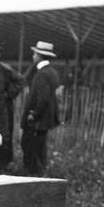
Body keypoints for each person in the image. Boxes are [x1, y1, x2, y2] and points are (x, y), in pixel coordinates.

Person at [21, 41, 61, 177]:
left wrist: (34, 114)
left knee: (32, 146)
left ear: (40, 56)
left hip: (38, 118)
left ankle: (35, 174)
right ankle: (39, 172)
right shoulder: (51, 71)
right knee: (39, 146)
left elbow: (43, 98)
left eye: (35, 54)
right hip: (45, 118)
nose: (33, 56)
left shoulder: (42, 74)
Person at [0, 41, 25, 173]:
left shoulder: (4, 68)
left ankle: (1, 168)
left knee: (2, 137)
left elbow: (20, 80)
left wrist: (8, 94)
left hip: (1, 109)